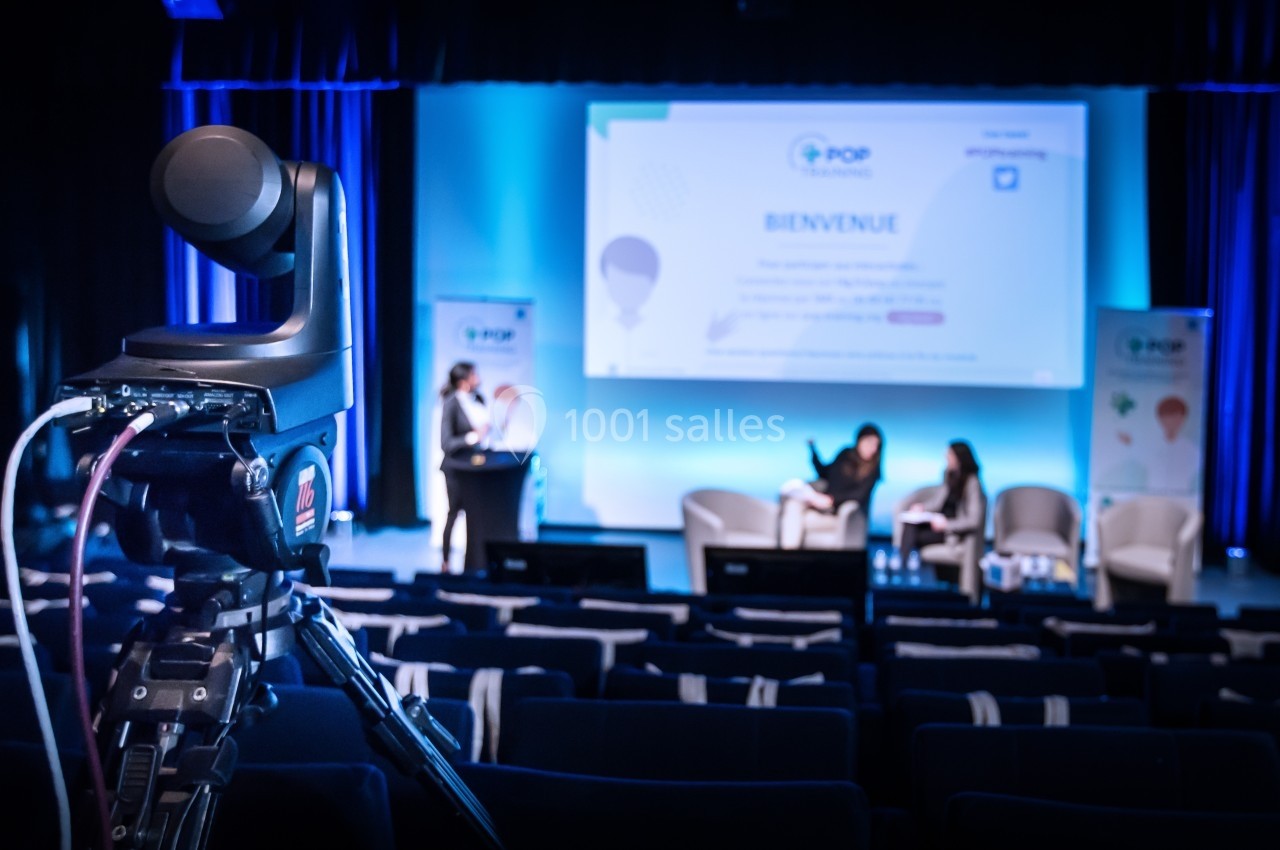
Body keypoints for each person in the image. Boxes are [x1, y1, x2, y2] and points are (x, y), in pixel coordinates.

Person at [779, 423, 883, 549]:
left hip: (836, 511)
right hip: (820, 504)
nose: (873, 449)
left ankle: (789, 559)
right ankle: (787, 558)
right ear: (860, 440)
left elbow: (860, 495)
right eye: (870, 443)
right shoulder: (845, 454)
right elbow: (825, 472)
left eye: (876, 445)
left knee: (797, 516)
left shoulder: (872, 470)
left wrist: (830, 501)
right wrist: (813, 450)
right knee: (793, 504)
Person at [439, 361, 490, 569]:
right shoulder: (450, 403)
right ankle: (446, 560)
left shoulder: (478, 399)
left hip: (475, 467)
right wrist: (472, 437)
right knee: (454, 513)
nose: (477, 378)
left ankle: (474, 561)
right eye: (473, 374)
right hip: (456, 468)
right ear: (464, 380)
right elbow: (446, 442)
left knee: (475, 515)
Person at [897, 439, 984, 563]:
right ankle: (903, 562)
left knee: (913, 535)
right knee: (910, 523)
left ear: (959, 457)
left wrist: (946, 524)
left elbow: (973, 520)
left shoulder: (972, 483)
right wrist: (923, 508)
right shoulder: (949, 475)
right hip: (936, 521)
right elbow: (938, 502)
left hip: (950, 530)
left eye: (949, 454)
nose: (945, 457)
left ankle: (902, 563)